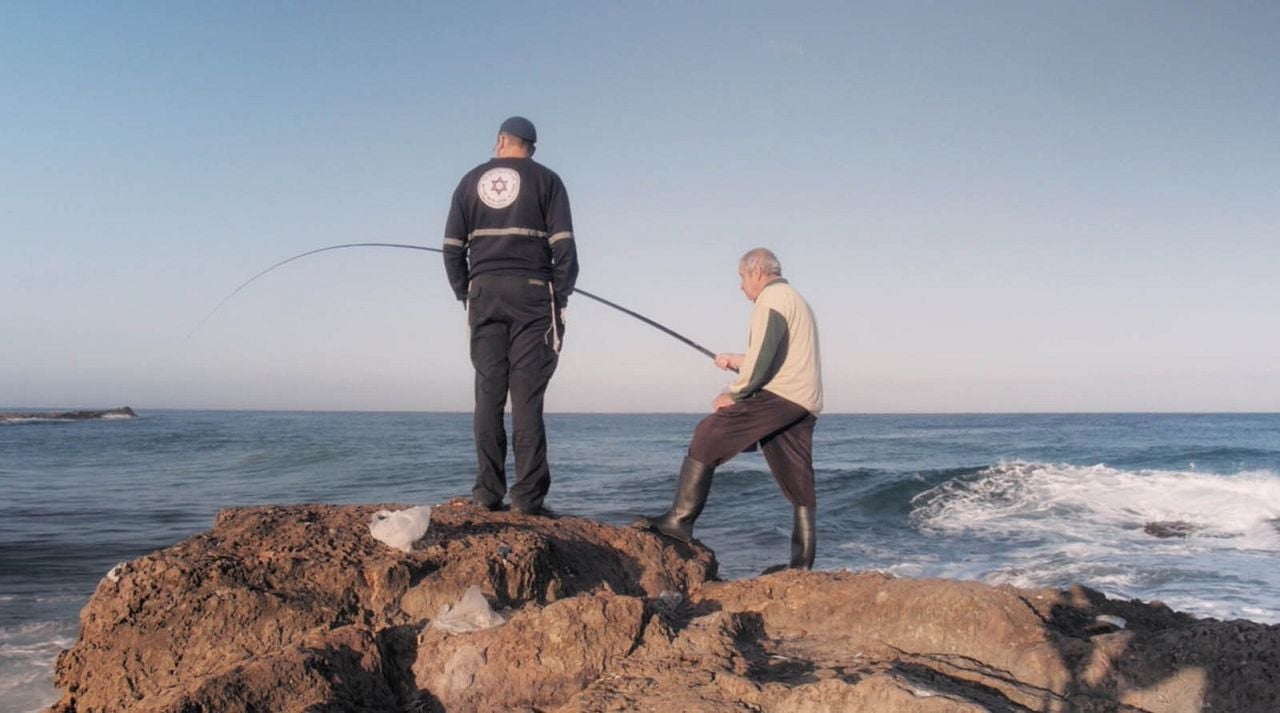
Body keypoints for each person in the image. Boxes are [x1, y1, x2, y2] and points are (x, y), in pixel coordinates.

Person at [635, 248, 823, 572]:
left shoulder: (771, 300)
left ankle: (679, 521)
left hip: (780, 395)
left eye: (741, 277)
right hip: (803, 399)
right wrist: (737, 360)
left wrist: (734, 393)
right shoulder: (795, 299)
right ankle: (802, 565)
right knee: (798, 478)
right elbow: (777, 355)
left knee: (708, 434)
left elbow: (764, 363)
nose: (740, 286)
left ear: (757, 273)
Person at [442, 116, 579, 516]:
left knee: (488, 394)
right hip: (533, 295)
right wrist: (560, 292)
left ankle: (487, 493)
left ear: (501, 140)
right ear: (532, 148)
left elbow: (452, 247)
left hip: (483, 294)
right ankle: (527, 499)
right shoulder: (548, 181)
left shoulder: (469, 181)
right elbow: (565, 248)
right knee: (526, 398)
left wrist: (464, 291)